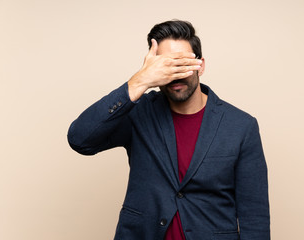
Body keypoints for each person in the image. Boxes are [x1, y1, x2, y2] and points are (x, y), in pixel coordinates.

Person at [67, 20, 270, 240]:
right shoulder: (138, 113)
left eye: (182, 63)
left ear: (200, 66)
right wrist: (140, 81)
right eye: (166, 65)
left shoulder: (241, 126)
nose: (176, 73)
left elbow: (254, 215)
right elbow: (80, 139)